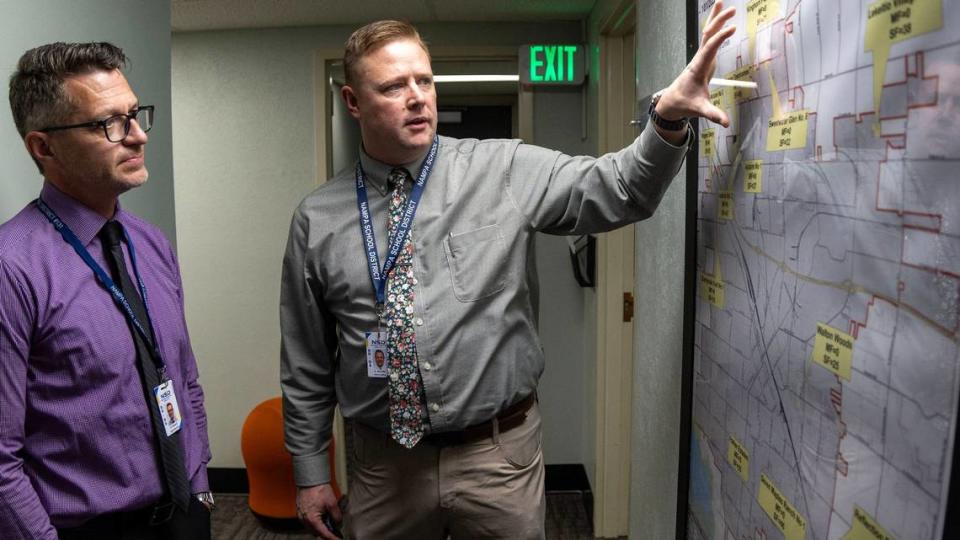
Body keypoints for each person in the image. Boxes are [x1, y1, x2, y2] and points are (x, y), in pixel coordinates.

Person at [280, 4, 737, 539]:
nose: (417, 97)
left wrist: (667, 120)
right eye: (393, 86)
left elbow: (619, 189)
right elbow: (307, 360)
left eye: (424, 80)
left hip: (496, 458)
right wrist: (310, 473)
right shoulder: (318, 219)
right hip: (383, 465)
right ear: (353, 102)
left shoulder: (502, 168)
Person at [0, 42, 213, 539]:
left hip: (183, 516)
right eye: (108, 124)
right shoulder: (12, 267)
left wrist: (200, 488)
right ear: (43, 147)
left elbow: (183, 378)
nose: (137, 136)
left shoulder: (150, 243)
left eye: (135, 115)